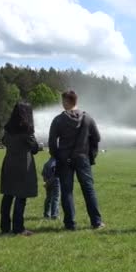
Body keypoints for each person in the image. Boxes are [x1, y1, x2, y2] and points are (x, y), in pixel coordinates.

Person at [48, 90, 104, 231]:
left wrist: (56, 156)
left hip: (64, 159)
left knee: (67, 191)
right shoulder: (87, 118)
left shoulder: (58, 120)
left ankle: (70, 224)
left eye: (63, 101)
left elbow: (52, 142)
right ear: (76, 101)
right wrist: (92, 154)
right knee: (88, 189)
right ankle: (96, 222)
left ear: (67, 102)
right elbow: (97, 138)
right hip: (82, 158)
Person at [0, 102, 40, 236]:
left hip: (9, 163)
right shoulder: (27, 130)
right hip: (23, 165)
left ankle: (5, 227)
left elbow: (4, 141)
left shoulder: (8, 129)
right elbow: (34, 148)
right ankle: (18, 227)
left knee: (8, 195)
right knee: (21, 197)